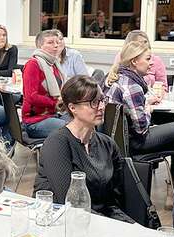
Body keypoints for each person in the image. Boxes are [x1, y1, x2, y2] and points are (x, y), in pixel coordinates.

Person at [35, 75, 134, 223]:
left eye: (102, 100)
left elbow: (114, 201)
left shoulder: (108, 144)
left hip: (98, 220)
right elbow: (69, 203)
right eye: (93, 102)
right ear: (72, 107)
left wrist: (130, 226)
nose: (101, 107)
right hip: (62, 223)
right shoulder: (57, 143)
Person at [104, 41, 174, 180]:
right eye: (148, 58)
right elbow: (141, 129)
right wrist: (148, 109)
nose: (152, 63)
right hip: (135, 143)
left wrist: (145, 103)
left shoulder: (118, 78)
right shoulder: (133, 87)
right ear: (134, 61)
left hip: (118, 142)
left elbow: (127, 109)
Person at [22, 29, 68, 138]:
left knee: (85, 123)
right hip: (35, 121)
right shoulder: (33, 64)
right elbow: (31, 97)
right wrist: (55, 102)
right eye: (50, 42)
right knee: (73, 129)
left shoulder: (54, 64)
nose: (56, 45)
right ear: (40, 46)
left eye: (57, 42)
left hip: (54, 114)